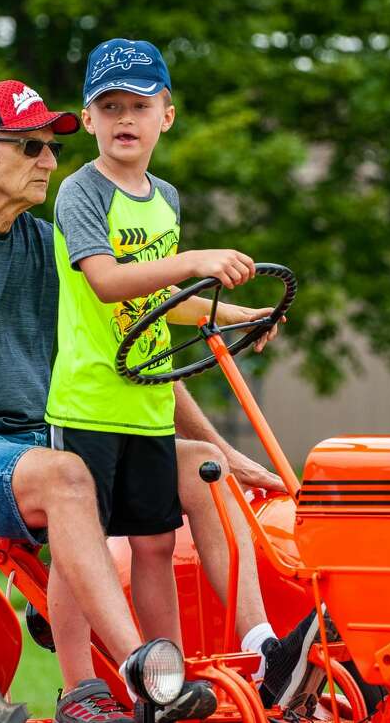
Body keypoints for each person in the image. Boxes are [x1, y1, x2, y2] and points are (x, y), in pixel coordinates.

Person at [0, 78, 326, 723]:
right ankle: (125, 681)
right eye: (29, 148)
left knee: (204, 472)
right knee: (68, 476)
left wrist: (222, 418)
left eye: (52, 147)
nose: (50, 163)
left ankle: (266, 654)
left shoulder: (44, 242)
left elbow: (136, 346)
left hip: (37, 434)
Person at [45, 39, 332, 723]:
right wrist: (196, 262)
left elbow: (158, 310)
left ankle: (176, 674)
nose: (124, 118)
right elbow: (111, 282)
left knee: (151, 541)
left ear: (166, 116)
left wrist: (233, 314)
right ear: (87, 121)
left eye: (138, 105)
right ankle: (78, 685)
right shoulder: (80, 193)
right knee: (74, 549)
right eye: (108, 106)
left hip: (147, 404)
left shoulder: (164, 199)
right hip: (88, 400)